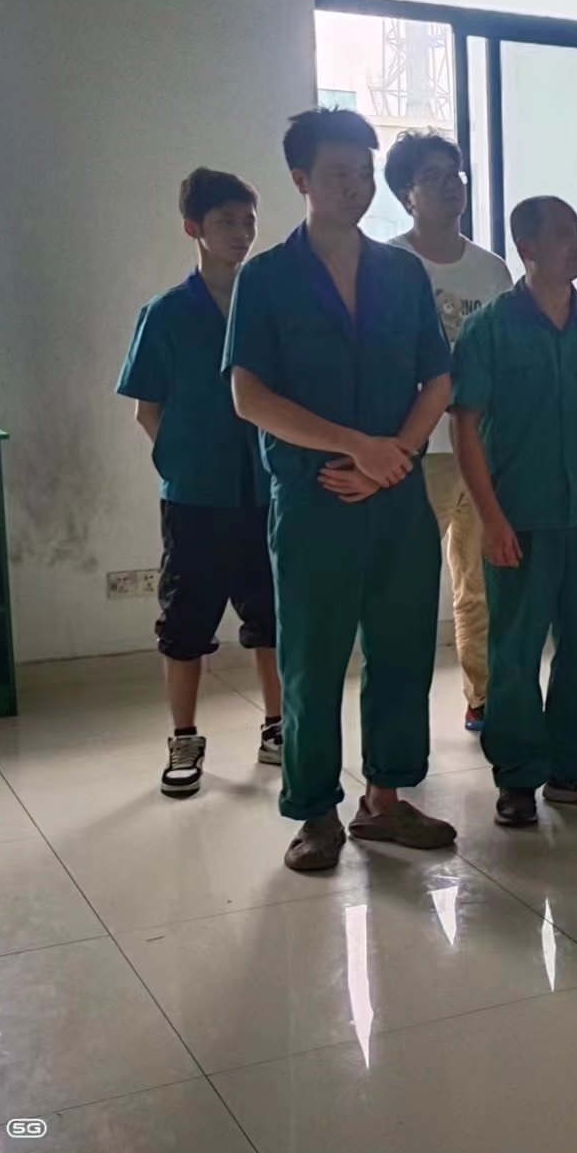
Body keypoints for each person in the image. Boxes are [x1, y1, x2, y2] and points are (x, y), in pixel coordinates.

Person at [225, 108, 457, 873]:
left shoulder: (401, 273)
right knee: (312, 658)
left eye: (363, 174)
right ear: (300, 179)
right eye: (338, 174)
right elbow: (249, 396)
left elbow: (437, 378)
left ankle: (384, 801)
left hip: (395, 495)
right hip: (313, 496)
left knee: (402, 649)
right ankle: (314, 810)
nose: (355, 188)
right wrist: (356, 445)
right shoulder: (266, 277)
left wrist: (394, 455)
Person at [451, 196, 577, 827]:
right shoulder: (489, 328)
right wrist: (490, 518)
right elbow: (465, 426)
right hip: (520, 519)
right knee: (514, 653)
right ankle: (516, 775)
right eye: (563, 234)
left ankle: (576, 769)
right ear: (527, 247)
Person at [117, 168, 283, 797]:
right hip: (195, 498)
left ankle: (278, 727)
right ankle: (184, 738)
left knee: (272, 615)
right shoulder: (166, 314)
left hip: (266, 490)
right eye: (226, 222)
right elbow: (147, 408)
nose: (241, 234)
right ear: (194, 228)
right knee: (185, 619)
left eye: (248, 222)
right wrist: (186, 464)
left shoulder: (267, 307)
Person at [383, 130, 513, 734]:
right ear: (405, 194)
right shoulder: (387, 264)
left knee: (480, 584)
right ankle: (399, 712)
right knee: (405, 589)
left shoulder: (491, 269)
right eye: (432, 177)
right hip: (416, 452)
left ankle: (483, 697)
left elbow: (509, 358)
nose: (449, 186)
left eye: (454, 174)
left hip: (483, 449)